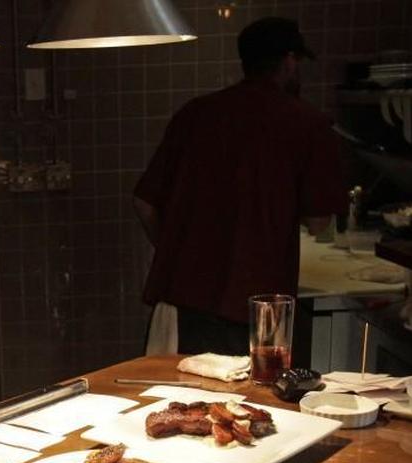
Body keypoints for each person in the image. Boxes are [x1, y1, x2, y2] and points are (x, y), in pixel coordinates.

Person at [133, 17, 345, 357]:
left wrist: (180, 252)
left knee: (171, 390)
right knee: (253, 392)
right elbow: (319, 221)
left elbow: (144, 202)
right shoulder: (308, 124)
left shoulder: (195, 114)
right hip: (259, 307)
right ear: (290, 61)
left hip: (183, 302)